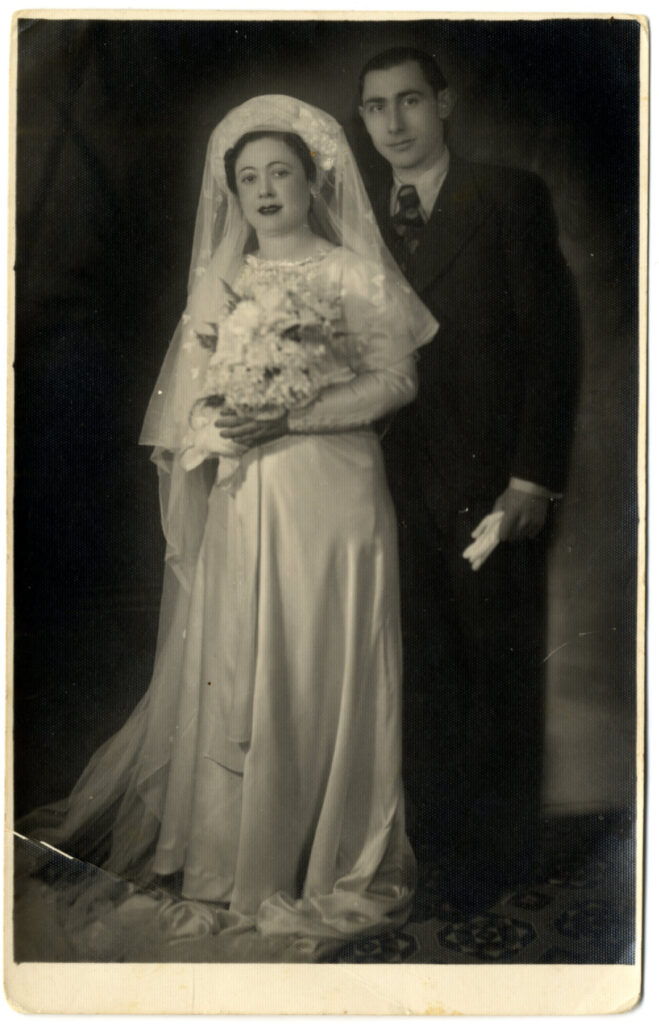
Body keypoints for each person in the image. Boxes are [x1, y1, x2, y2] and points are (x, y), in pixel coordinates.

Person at [17, 95, 438, 962]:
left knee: (324, 657)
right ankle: (233, 860)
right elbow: (194, 399)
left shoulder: (352, 271)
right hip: (249, 495)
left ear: (312, 179)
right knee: (246, 658)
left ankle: (319, 855)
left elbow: (397, 381)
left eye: (279, 171)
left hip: (335, 496)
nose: (263, 190)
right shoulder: (223, 280)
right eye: (246, 179)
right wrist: (225, 420)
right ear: (233, 197)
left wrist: (297, 415)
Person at [356, 48, 581, 908]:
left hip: (493, 482)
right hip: (387, 481)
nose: (395, 122)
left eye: (410, 100)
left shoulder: (505, 196)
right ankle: (437, 852)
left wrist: (532, 478)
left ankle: (499, 861)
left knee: (496, 661)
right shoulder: (357, 216)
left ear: (442, 104)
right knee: (422, 669)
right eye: (376, 108)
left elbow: (552, 342)